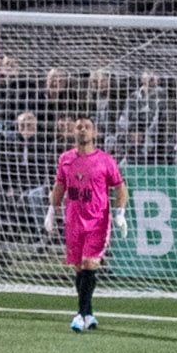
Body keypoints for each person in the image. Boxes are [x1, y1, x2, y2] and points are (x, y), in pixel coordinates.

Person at [55, 119, 128, 331]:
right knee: (79, 267)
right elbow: (60, 185)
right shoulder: (66, 159)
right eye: (78, 126)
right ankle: (88, 314)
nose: (83, 129)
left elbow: (120, 187)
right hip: (73, 221)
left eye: (87, 126)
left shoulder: (105, 160)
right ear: (73, 132)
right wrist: (52, 211)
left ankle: (79, 314)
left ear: (94, 132)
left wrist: (120, 213)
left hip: (97, 221)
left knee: (89, 264)